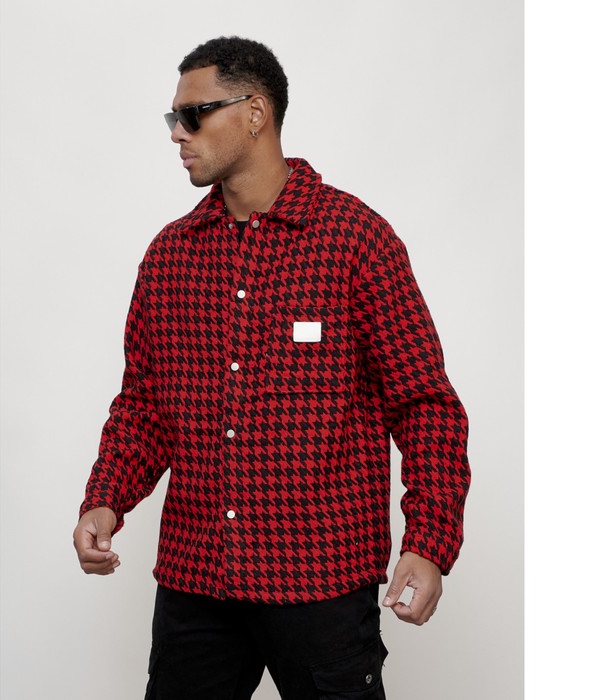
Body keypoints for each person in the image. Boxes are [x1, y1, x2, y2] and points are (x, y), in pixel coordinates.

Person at [73, 36, 471, 700]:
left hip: (321, 583)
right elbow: (143, 407)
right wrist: (106, 498)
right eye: (172, 117)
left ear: (255, 113)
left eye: (192, 114)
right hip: (196, 582)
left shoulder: (355, 240)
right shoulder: (170, 257)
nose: (176, 132)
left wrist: (429, 540)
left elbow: (424, 405)